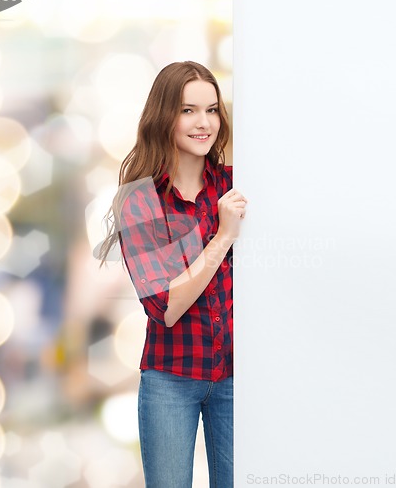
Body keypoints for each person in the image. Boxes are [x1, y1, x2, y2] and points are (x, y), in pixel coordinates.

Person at [100, 61, 247, 488]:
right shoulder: (140, 201)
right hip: (170, 381)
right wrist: (222, 237)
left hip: (238, 376)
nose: (204, 123)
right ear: (164, 116)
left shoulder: (236, 187)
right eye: (188, 110)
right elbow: (165, 305)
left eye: (212, 110)